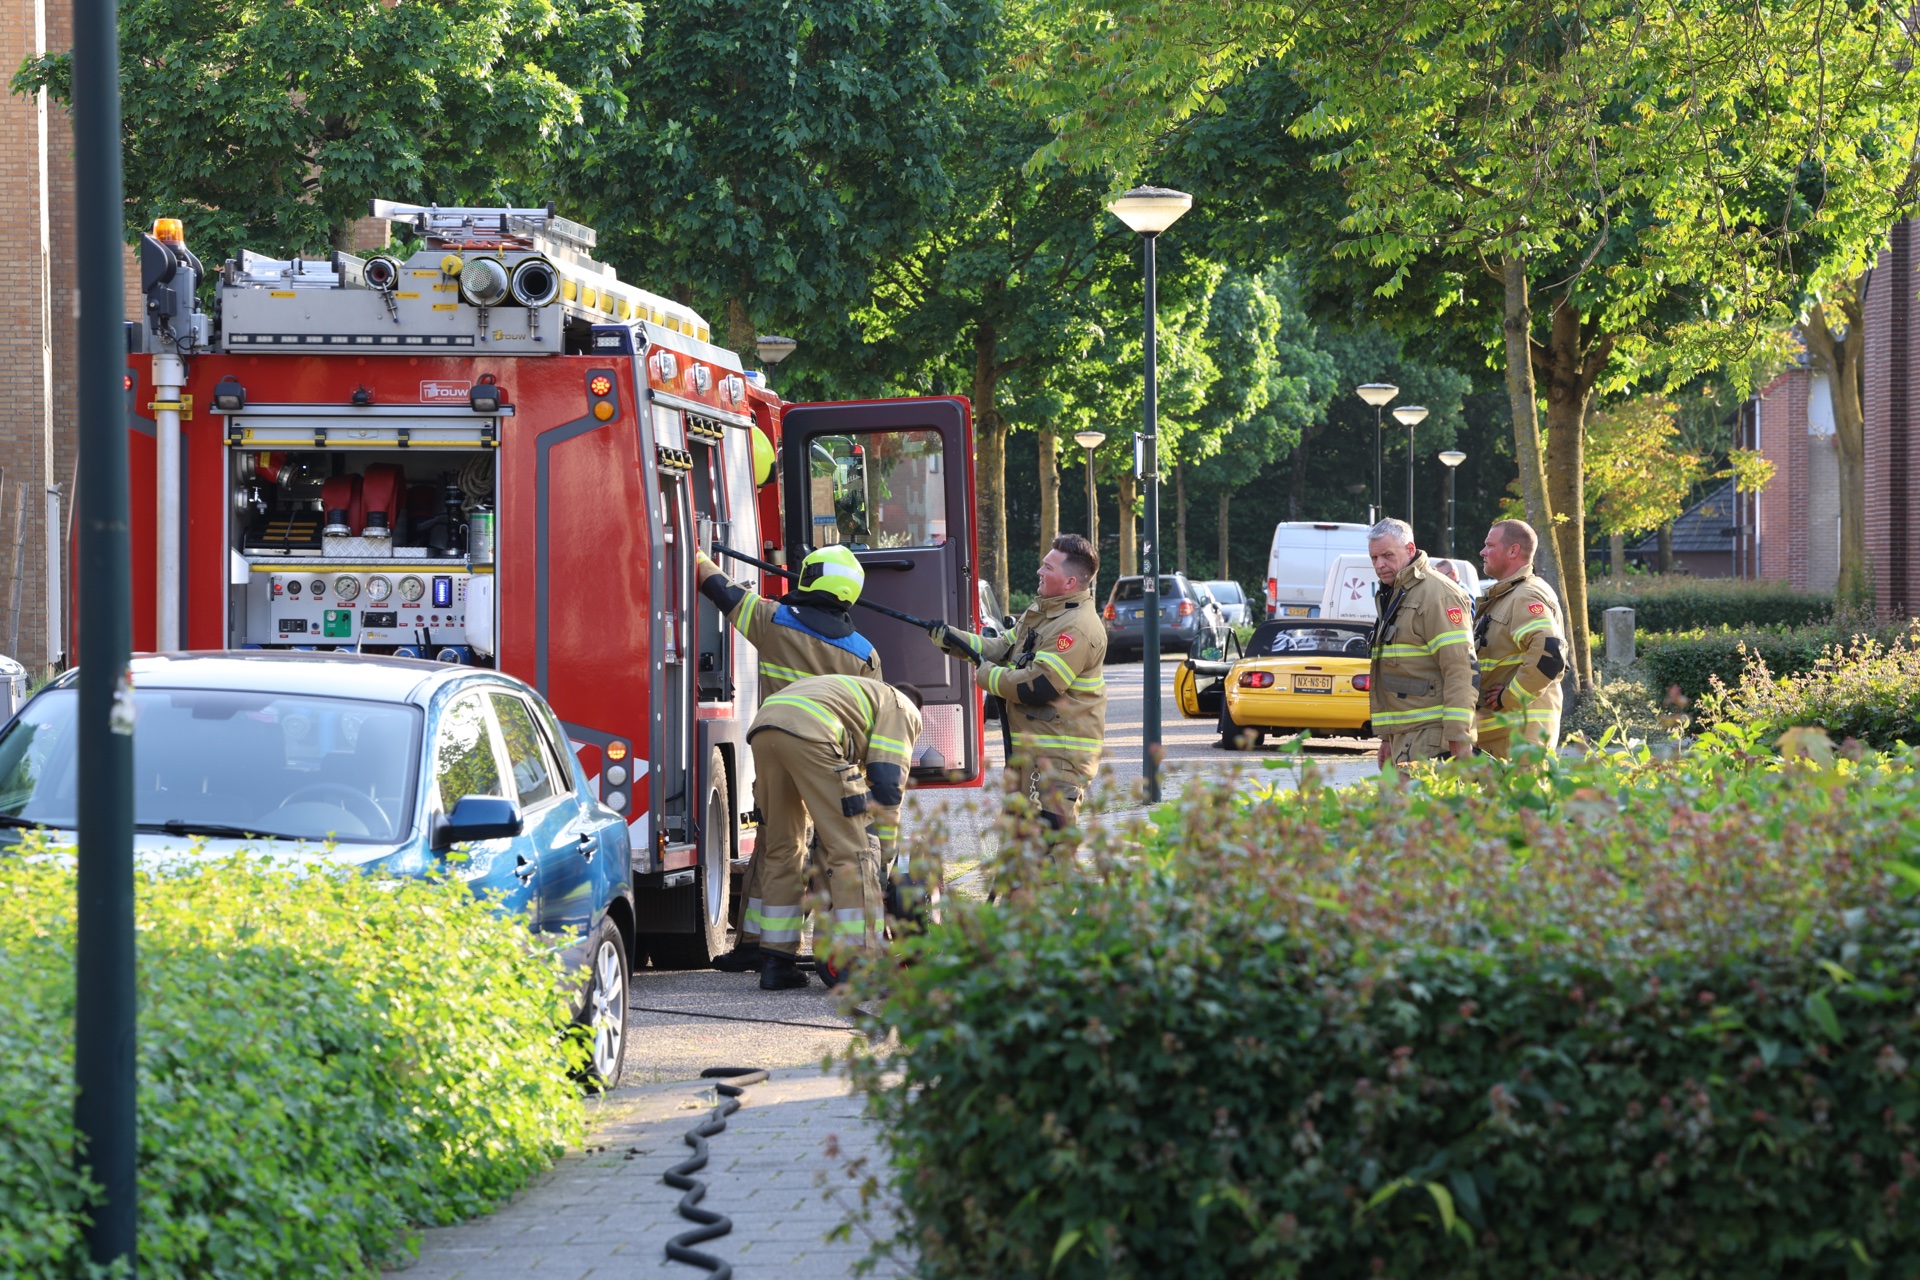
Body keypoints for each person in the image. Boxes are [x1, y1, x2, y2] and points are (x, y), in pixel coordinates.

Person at [693, 543, 881, 971]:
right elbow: (871, 725)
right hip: (830, 761)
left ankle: (758, 946)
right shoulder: (865, 654)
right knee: (840, 849)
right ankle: (834, 950)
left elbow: (718, 588)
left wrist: (693, 546)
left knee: (778, 846)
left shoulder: (771, 621)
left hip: (773, 750)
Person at [745, 676, 923, 990]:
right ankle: (857, 965)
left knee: (784, 849)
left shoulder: (861, 695)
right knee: (855, 853)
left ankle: (776, 964)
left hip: (765, 726)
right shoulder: (903, 708)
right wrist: (883, 861)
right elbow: (887, 785)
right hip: (812, 731)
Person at [930, 533, 1107, 834]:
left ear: (1069, 583)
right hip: (1034, 760)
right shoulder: (1043, 613)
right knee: (1020, 858)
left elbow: (1039, 685)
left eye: (1048, 568)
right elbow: (1001, 648)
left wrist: (988, 677)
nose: (1039, 571)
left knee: (1048, 860)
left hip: (1058, 765)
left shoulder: (1076, 627)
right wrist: (953, 639)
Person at [1365, 518, 1478, 768]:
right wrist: (1387, 738)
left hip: (1429, 737)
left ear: (1410, 549)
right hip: (1405, 736)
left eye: (1387, 555)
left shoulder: (1438, 595)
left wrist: (1459, 736)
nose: (1380, 565)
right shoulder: (1397, 592)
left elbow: (1460, 668)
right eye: (1374, 558)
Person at [1473, 519, 1567, 757]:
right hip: (1506, 738)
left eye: (1489, 545)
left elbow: (1551, 653)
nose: (1482, 551)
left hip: (1520, 740)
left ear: (1513, 550)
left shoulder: (1525, 595)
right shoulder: (1508, 596)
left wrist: (1511, 696)